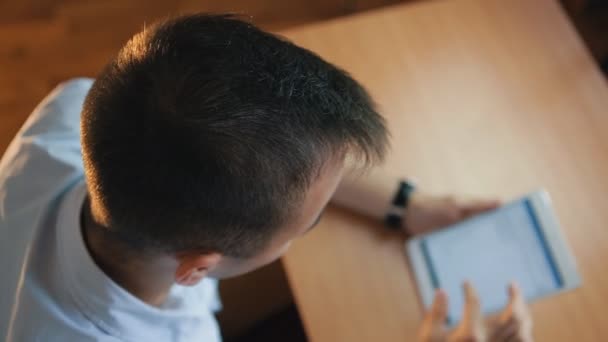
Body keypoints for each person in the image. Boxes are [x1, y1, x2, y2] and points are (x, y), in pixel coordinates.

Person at [0, 14, 531, 341]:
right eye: (308, 222)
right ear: (196, 269)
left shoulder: (76, 112)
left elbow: (270, 155)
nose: (315, 219)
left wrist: (405, 205)